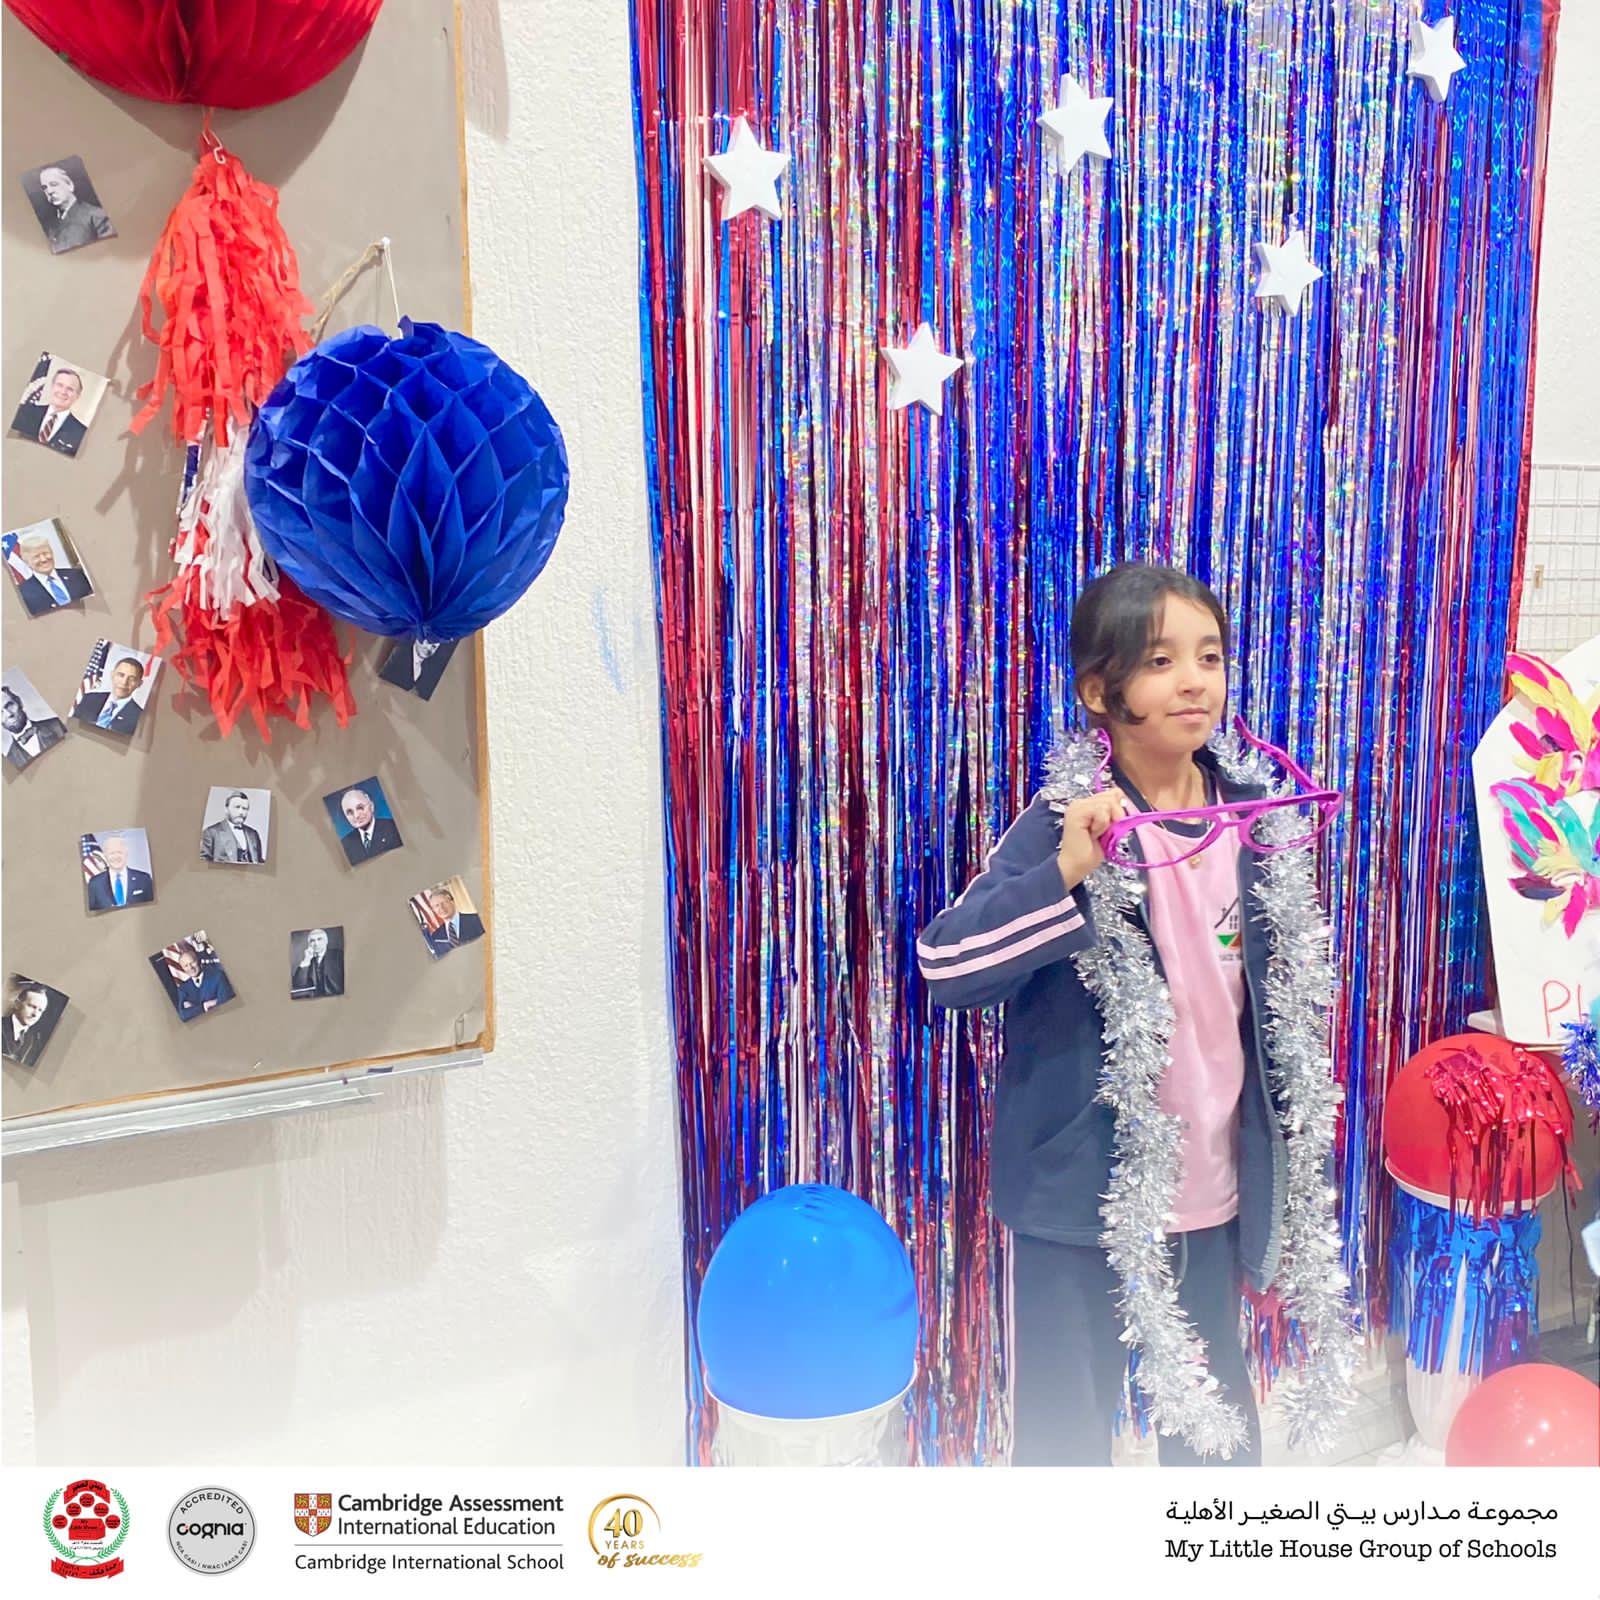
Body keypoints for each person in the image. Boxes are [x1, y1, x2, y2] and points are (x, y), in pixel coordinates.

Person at [918, 563, 1338, 1468]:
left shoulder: (1258, 819)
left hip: (1213, 1195)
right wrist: (1066, 872)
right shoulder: (1064, 821)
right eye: (1160, 660)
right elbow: (947, 967)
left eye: (1210, 657)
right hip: (1081, 1202)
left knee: (1217, 1446)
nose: (1194, 681)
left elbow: (1274, 1022)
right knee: (1064, 1449)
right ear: (1098, 692)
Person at [36, 165, 114, 253]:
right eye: (44, 188)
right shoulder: (49, 224)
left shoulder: (96, 215)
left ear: (70, 185)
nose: (49, 191)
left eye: (54, 184)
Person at [13, 367, 89, 456]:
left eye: (70, 389)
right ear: (52, 386)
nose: (63, 392)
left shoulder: (82, 433)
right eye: (60, 385)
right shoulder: (25, 412)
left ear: (77, 396)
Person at [13, 531, 92, 614]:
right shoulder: (23, 593)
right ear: (26, 562)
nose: (44, 559)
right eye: (36, 556)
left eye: (46, 553)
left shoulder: (77, 575)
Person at [74, 656, 146, 736]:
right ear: (112, 675)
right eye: (121, 675)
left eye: (132, 679)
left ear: (139, 684)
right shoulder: (89, 699)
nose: (124, 682)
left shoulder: (140, 718)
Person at [2, 683, 66, 769]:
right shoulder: (10, 763)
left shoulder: (58, 725)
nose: (9, 714)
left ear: (19, 702)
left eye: (9, 705)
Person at [86, 834, 154, 911]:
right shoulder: (95, 883)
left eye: (119, 852)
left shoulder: (144, 879)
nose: (116, 857)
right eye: (112, 853)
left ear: (126, 854)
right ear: (105, 855)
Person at [378, 636, 456, 700]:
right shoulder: (398, 658)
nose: (429, 649)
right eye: (428, 642)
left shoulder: (428, 673)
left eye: (433, 647)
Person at [338, 787, 402, 864]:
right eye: (349, 812)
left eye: (360, 808)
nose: (356, 815)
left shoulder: (394, 827)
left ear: (371, 806)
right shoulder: (345, 844)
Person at [200, 791, 265, 864]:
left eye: (244, 808)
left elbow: (259, 861)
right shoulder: (211, 833)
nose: (241, 812)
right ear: (226, 809)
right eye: (237, 807)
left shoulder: (253, 834)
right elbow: (203, 863)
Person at [171, 945, 230, 1021]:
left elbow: (225, 1002)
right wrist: (204, 1006)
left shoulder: (218, 976)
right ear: (182, 968)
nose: (190, 968)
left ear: (199, 961)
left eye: (192, 962)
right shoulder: (182, 989)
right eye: (186, 966)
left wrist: (193, 1008)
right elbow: (183, 1015)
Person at [421, 886, 483, 957]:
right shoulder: (435, 936)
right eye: (437, 906)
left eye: (444, 902)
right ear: (433, 910)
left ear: (452, 901)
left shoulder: (477, 920)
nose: (441, 908)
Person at [2, 983, 53, 1066]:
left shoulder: (34, 1041)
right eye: (32, 1006)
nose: (35, 1014)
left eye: (40, 1010)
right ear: (17, 1004)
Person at [291, 928, 345, 998]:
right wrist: (306, 959)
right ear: (309, 944)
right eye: (312, 941)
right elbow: (298, 984)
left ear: (326, 941)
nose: (316, 944)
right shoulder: (309, 960)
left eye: (319, 939)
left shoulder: (338, 955)